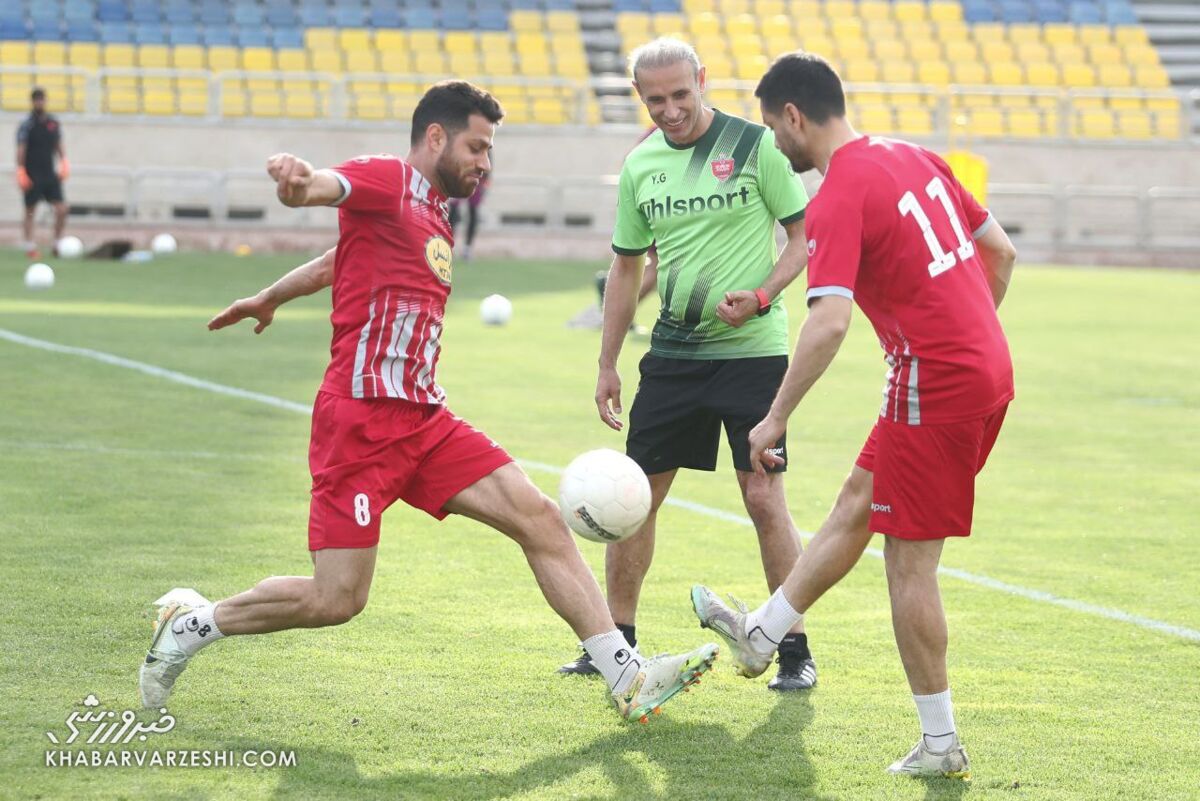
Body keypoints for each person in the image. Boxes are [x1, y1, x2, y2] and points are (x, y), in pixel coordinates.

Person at [138, 80, 718, 725]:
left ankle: (625, 676)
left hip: (425, 418)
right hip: (359, 423)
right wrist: (298, 185)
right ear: (436, 137)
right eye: (477, 146)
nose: (484, 162)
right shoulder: (387, 179)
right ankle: (191, 624)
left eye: (489, 150)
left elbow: (344, 255)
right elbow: (325, 187)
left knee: (540, 518)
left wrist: (274, 294)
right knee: (337, 600)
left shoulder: (433, 211)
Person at [690, 52, 1018, 778]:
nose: (775, 142)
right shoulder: (913, 153)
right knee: (855, 505)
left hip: (936, 383)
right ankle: (762, 634)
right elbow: (1001, 251)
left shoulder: (839, 193)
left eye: (774, 128)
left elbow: (830, 323)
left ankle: (940, 742)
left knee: (908, 562)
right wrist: (964, 335)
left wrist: (773, 417)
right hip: (982, 370)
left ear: (794, 117)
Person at [559, 38, 819, 692]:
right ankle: (615, 646)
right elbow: (627, 267)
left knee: (764, 498)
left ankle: (792, 649)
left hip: (754, 356)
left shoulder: (754, 146)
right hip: (672, 359)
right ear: (640, 98)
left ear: (701, 81)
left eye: (680, 94)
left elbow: (804, 235)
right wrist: (607, 360)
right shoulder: (641, 164)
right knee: (634, 500)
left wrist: (761, 296)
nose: (670, 109)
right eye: (655, 100)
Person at [15, 87, 69, 259]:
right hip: (32, 173)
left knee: (62, 209)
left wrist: (64, 162)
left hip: (49, 173)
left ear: (45, 101)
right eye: (37, 99)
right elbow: (21, 149)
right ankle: (30, 245)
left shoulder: (52, 123)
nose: (40, 102)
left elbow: (58, 144)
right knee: (30, 210)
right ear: (33, 102)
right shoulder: (27, 124)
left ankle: (57, 243)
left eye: (42, 99)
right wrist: (21, 170)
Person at [448, 170, 487, 261]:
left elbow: (487, 160)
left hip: (476, 179)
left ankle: (467, 248)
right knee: (453, 213)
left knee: (473, 213)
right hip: (458, 178)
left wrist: (485, 179)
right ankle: (449, 246)